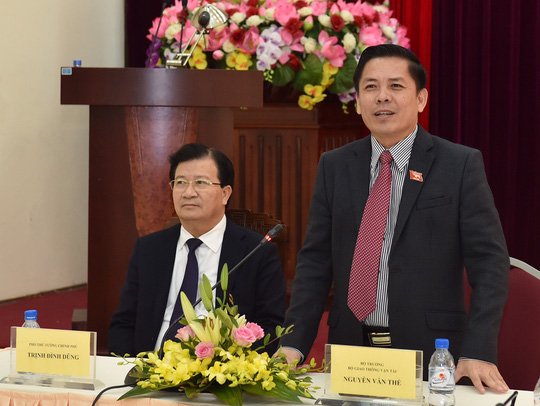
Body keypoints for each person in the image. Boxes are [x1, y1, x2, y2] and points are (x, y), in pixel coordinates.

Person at [278, 44, 509, 394]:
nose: (382, 97)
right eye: (370, 87)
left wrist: (478, 350)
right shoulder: (335, 166)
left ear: (421, 99)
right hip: (350, 354)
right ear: (358, 102)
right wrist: (293, 344)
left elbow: (490, 264)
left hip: (432, 354)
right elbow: (315, 262)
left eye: (396, 86)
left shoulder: (459, 165)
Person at [109, 143, 286, 356]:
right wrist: (133, 367)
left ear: (225, 194)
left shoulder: (256, 252)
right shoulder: (149, 249)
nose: (188, 192)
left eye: (200, 182)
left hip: (219, 369)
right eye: (180, 183)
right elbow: (123, 323)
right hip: (149, 366)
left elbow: (270, 327)